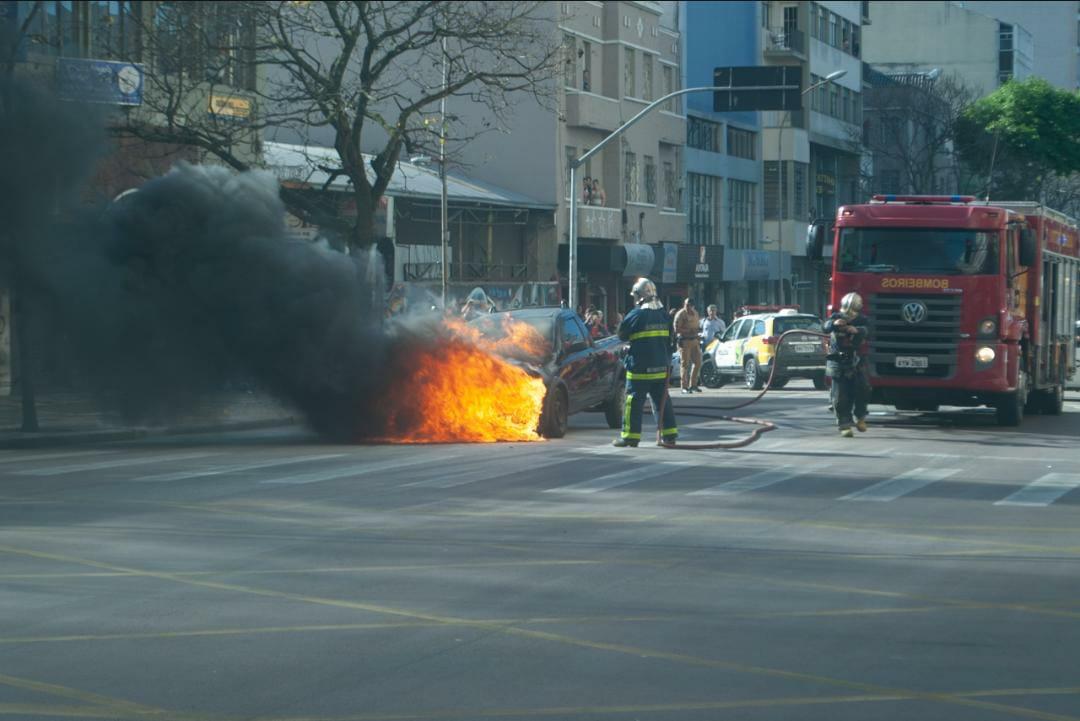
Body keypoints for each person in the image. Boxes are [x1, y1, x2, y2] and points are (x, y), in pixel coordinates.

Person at [613, 278, 678, 448]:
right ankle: (669, 436)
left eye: (635, 296)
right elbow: (671, 340)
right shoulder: (664, 315)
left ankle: (630, 437)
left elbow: (621, 334)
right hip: (661, 368)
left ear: (640, 296)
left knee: (633, 402)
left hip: (639, 369)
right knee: (662, 401)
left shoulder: (636, 315)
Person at [823, 292, 870, 437]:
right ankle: (844, 424)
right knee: (840, 395)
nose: (848, 316)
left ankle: (860, 417)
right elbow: (825, 327)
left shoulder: (862, 320)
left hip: (856, 361)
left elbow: (869, 331)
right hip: (838, 361)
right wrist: (834, 324)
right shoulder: (836, 317)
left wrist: (857, 330)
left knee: (863, 389)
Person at [673, 298, 702, 394]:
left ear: (693, 306)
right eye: (686, 304)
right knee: (685, 364)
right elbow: (676, 329)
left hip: (694, 341)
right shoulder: (680, 314)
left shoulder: (696, 313)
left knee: (698, 362)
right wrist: (688, 331)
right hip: (684, 341)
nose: (688, 306)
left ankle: (693, 384)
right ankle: (684, 387)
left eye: (690, 305)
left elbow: (697, 326)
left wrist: (698, 332)